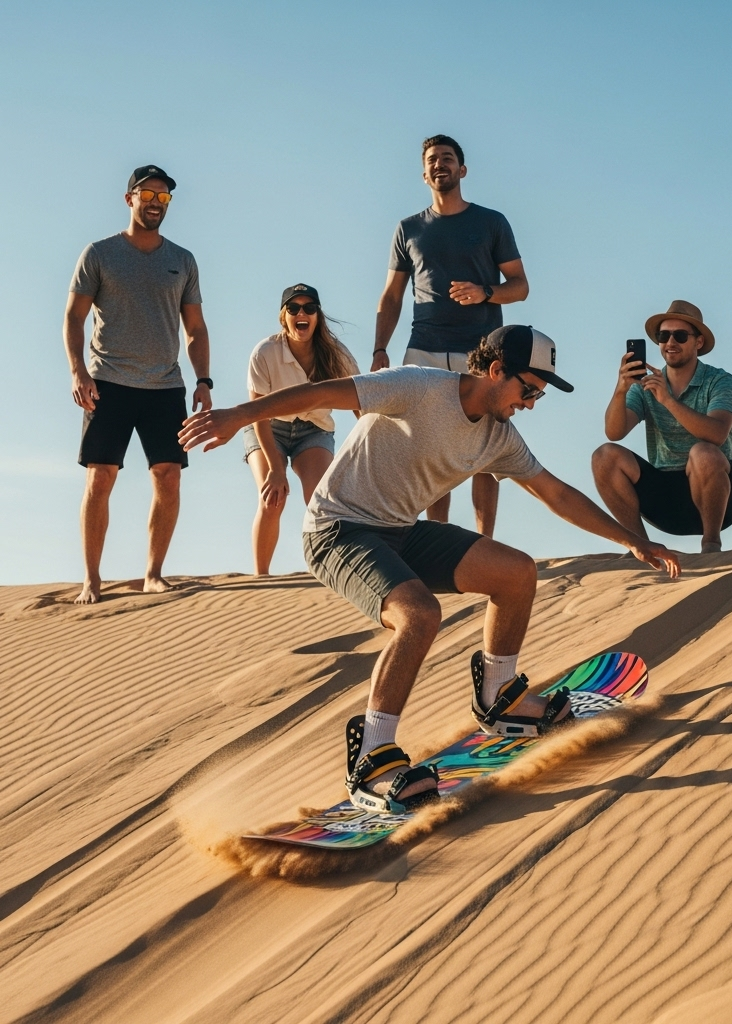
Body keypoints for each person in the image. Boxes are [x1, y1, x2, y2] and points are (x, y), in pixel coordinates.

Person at [180, 325, 679, 813]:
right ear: (496, 370)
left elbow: (555, 493)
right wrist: (239, 415)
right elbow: (327, 393)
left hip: (399, 530)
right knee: (419, 615)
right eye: (527, 390)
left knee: (516, 572)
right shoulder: (419, 386)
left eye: (538, 397)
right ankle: (372, 760)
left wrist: (633, 540)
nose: (528, 404)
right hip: (338, 530)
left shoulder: (499, 437)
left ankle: (499, 698)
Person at [64, 164, 212, 604]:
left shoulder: (182, 260)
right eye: (148, 195)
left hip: (166, 387)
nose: (155, 203)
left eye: (164, 197)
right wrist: (78, 371)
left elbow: (197, 328)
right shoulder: (100, 253)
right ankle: (92, 579)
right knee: (101, 477)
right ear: (129, 198)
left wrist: (203, 379)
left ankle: (153, 573)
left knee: (168, 477)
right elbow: (73, 317)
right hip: (107, 381)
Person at [371, 134, 529, 538]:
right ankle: (435, 537)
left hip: (481, 350)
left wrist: (485, 291)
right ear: (424, 174)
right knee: (425, 447)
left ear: (462, 169)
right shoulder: (408, 229)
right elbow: (391, 297)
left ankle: (484, 542)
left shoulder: (491, 222)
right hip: (422, 348)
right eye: (432, 160)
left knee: (485, 449)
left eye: (447, 158)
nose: (439, 164)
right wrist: (379, 349)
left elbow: (520, 285)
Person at [592, 300, 732, 554]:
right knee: (604, 456)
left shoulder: (720, 380)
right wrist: (621, 389)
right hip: (665, 498)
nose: (670, 342)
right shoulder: (647, 385)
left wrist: (667, 400)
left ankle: (711, 545)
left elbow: (717, 434)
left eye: (680, 335)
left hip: (717, 499)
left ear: (698, 342)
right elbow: (614, 432)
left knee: (703, 453)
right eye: (664, 336)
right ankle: (639, 547)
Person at [243, 284, 360, 575]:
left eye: (309, 308)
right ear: (284, 317)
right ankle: (262, 579)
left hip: (314, 430)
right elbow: (257, 414)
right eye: (293, 308)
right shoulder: (265, 352)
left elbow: (363, 402)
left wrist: (377, 444)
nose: (301, 313)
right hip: (268, 427)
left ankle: (328, 572)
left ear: (317, 316)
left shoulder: (336, 354)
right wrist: (275, 468)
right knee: (272, 497)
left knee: (320, 501)